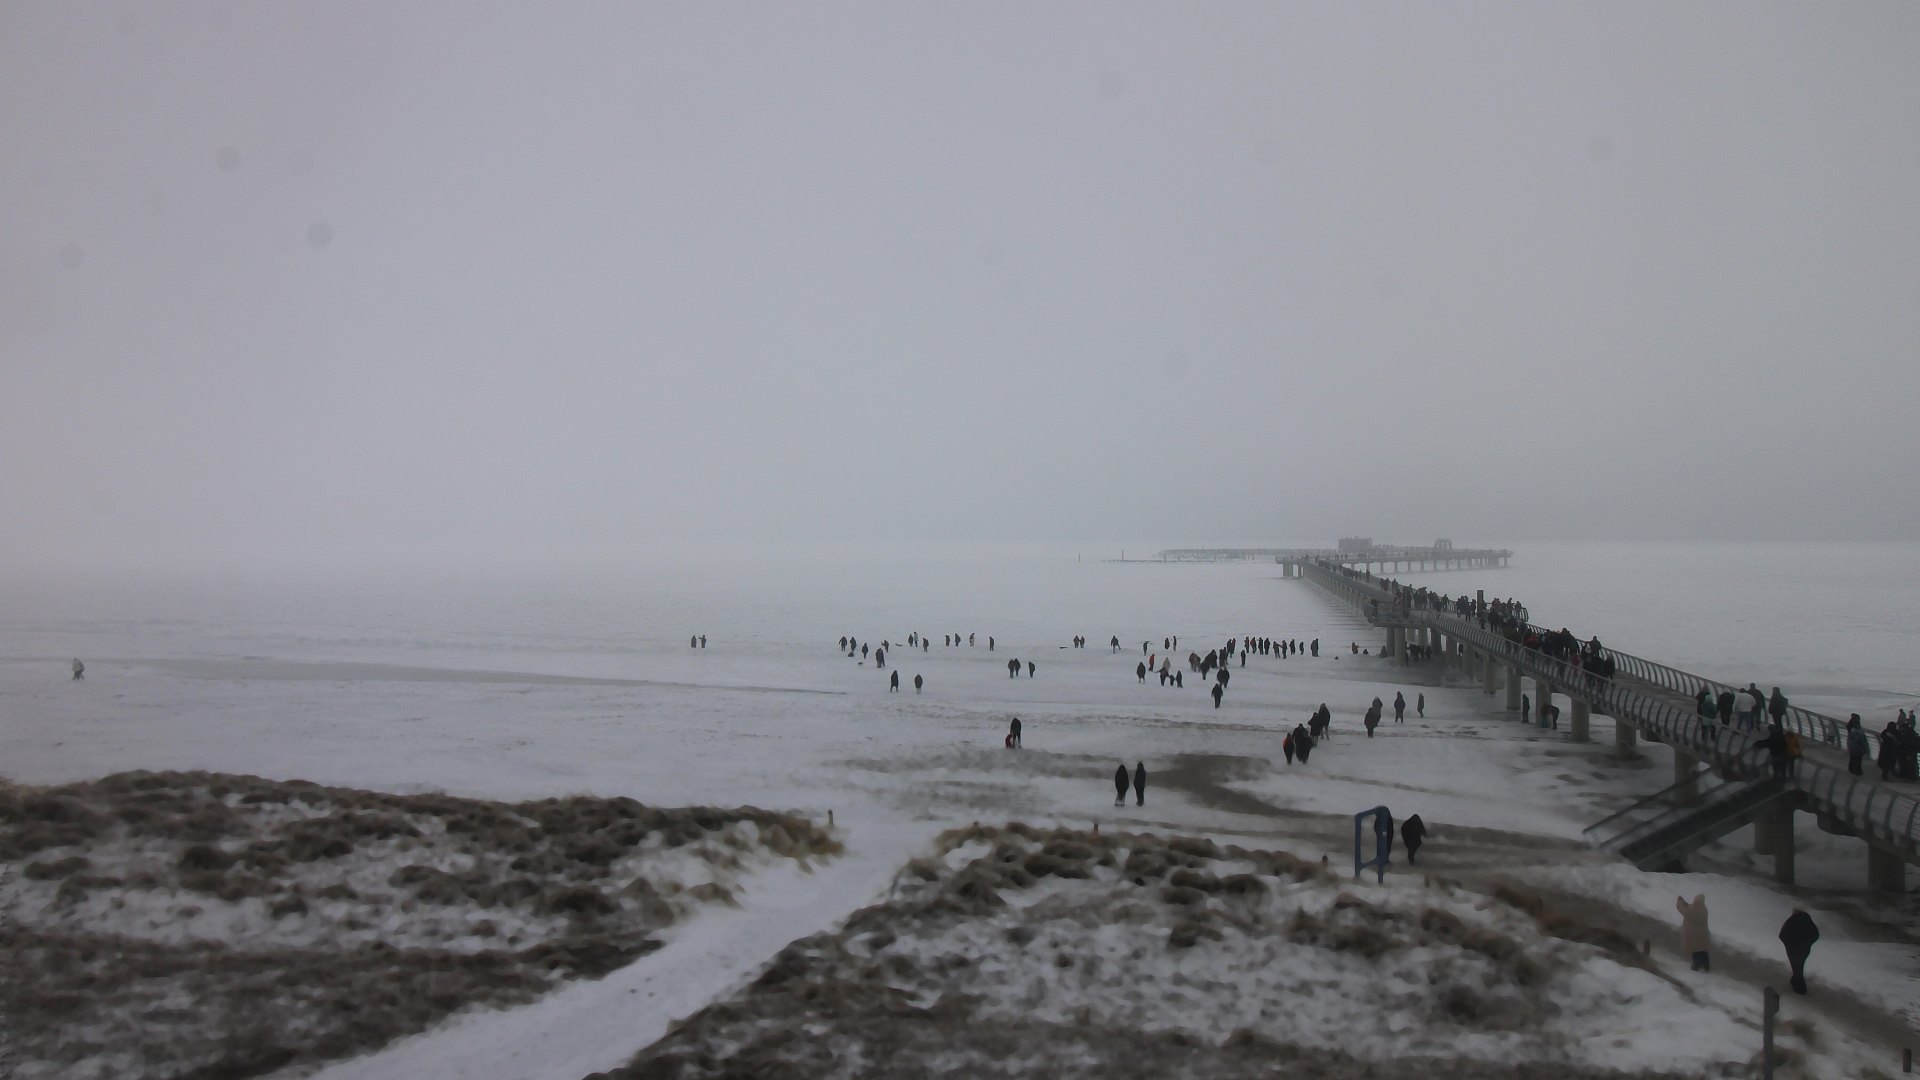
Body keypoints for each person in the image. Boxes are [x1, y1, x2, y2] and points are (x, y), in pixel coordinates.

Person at [1779, 909, 1819, 995]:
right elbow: (1815, 934)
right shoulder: (1807, 921)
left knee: (1796, 967)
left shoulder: (1792, 921)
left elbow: (1782, 935)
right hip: (1803, 949)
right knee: (1798, 967)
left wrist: (1788, 943)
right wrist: (1808, 942)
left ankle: (1798, 987)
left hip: (1793, 948)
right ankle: (1798, 986)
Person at [1676, 894, 1711, 972]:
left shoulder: (1694, 910)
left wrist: (1680, 901)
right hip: (1703, 935)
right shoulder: (1704, 909)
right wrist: (1685, 903)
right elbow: (1689, 908)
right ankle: (1706, 966)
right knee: (1703, 951)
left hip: (1694, 936)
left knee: (1695, 950)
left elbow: (1684, 910)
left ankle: (1696, 966)